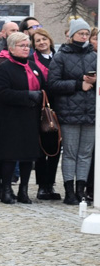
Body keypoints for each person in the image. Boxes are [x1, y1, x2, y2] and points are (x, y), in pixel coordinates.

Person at [48, 19, 96, 205]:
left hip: (90, 112)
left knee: (86, 153)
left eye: (86, 34)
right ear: (72, 35)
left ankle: (80, 190)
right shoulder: (61, 56)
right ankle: (69, 190)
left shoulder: (94, 56)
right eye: (81, 34)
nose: (84, 37)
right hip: (69, 112)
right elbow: (52, 84)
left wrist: (94, 81)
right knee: (69, 153)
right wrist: (78, 84)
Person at [0, 32, 45, 204]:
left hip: (31, 118)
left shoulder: (33, 66)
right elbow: (2, 93)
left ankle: (24, 190)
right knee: (10, 156)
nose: (26, 49)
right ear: (11, 48)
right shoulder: (5, 68)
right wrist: (27, 95)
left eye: (27, 46)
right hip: (11, 118)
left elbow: (44, 87)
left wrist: (40, 95)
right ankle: (6, 189)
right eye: (22, 46)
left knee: (28, 156)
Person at [30, 28, 61, 200]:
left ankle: (51, 184)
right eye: (38, 41)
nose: (42, 43)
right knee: (42, 148)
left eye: (44, 39)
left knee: (56, 148)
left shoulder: (58, 58)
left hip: (59, 107)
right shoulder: (33, 61)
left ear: (49, 40)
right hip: (41, 107)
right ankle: (42, 185)